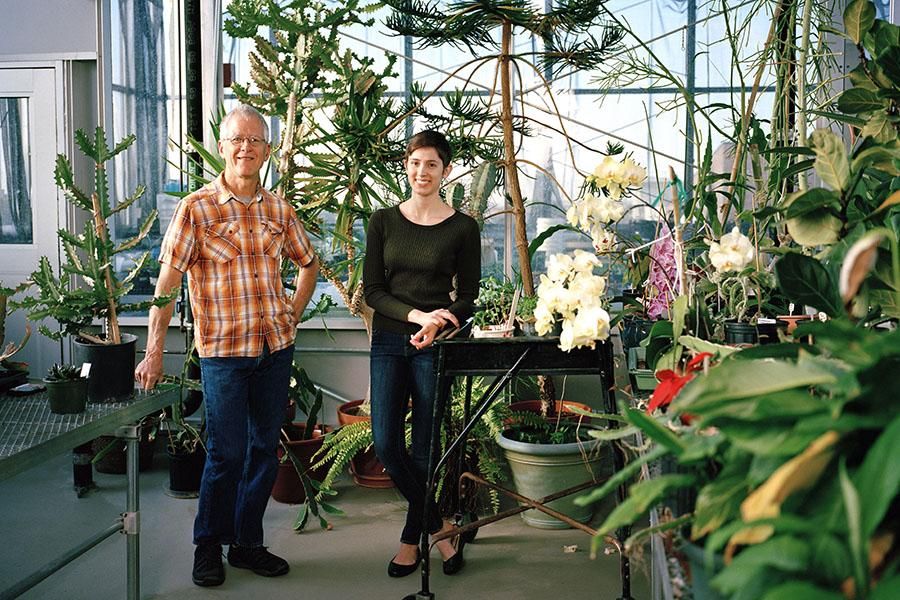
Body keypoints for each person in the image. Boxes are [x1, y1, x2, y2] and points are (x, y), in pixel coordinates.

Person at [135, 104, 318, 587]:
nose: (246, 148)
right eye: (237, 139)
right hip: (223, 355)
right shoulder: (196, 208)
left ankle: (247, 544)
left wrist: (291, 316)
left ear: (267, 150)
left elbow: (308, 263)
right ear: (222, 147)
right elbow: (167, 286)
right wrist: (154, 350)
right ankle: (207, 547)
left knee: (263, 451)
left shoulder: (279, 209)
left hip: (274, 349)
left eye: (255, 140)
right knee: (226, 453)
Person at [363, 130, 481, 578]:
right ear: (405, 167)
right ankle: (442, 527)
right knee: (387, 444)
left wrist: (439, 322)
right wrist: (419, 317)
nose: (421, 172)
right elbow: (373, 292)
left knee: (425, 450)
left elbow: (467, 296)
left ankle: (410, 541)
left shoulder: (462, 228)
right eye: (414, 163)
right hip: (391, 341)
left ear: (446, 171)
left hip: (436, 346)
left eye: (431, 164)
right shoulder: (383, 222)